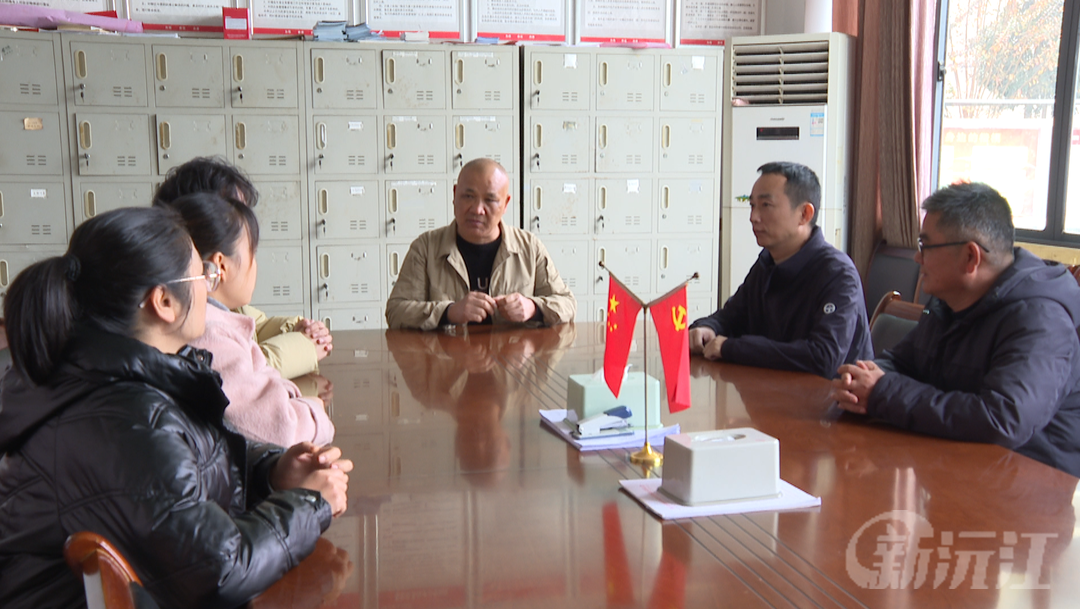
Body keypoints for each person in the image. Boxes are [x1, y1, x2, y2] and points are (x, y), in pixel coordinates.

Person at [0, 207, 352, 608]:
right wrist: (310, 503)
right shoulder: (120, 416)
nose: (210, 288)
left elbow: (185, 475)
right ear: (164, 301)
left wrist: (270, 473)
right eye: (202, 275)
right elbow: (218, 571)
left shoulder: (124, 379)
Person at [833, 182, 1080, 477]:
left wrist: (881, 391)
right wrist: (860, 379)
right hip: (955, 467)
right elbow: (904, 362)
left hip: (1027, 485)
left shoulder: (1040, 320)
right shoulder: (950, 302)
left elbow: (1002, 420)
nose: (917, 258)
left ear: (970, 257)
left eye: (925, 246)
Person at [156, 192, 334, 447]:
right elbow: (280, 429)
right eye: (252, 252)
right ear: (220, 266)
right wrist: (315, 412)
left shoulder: (215, 318)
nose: (255, 264)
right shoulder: (209, 333)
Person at [688, 161, 872, 378]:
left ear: (804, 214)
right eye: (752, 206)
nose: (753, 217)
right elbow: (731, 316)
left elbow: (823, 357)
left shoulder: (838, 274)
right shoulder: (767, 263)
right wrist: (707, 327)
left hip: (829, 396)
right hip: (773, 389)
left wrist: (732, 348)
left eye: (766, 205)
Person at [155, 156, 332, 379]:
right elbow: (242, 373)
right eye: (234, 212)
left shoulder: (215, 299)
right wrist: (305, 346)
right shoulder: (192, 317)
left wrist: (298, 328)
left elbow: (255, 325)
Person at [385, 158, 576, 330]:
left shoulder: (529, 247)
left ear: (505, 204)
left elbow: (567, 304)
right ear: (454, 195)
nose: (477, 210)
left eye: (490, 200)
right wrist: (449, 312)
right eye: (468, 196)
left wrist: (532, 308)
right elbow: (396, 311)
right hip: (447, 357)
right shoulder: (426, 248)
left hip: (512, 356)